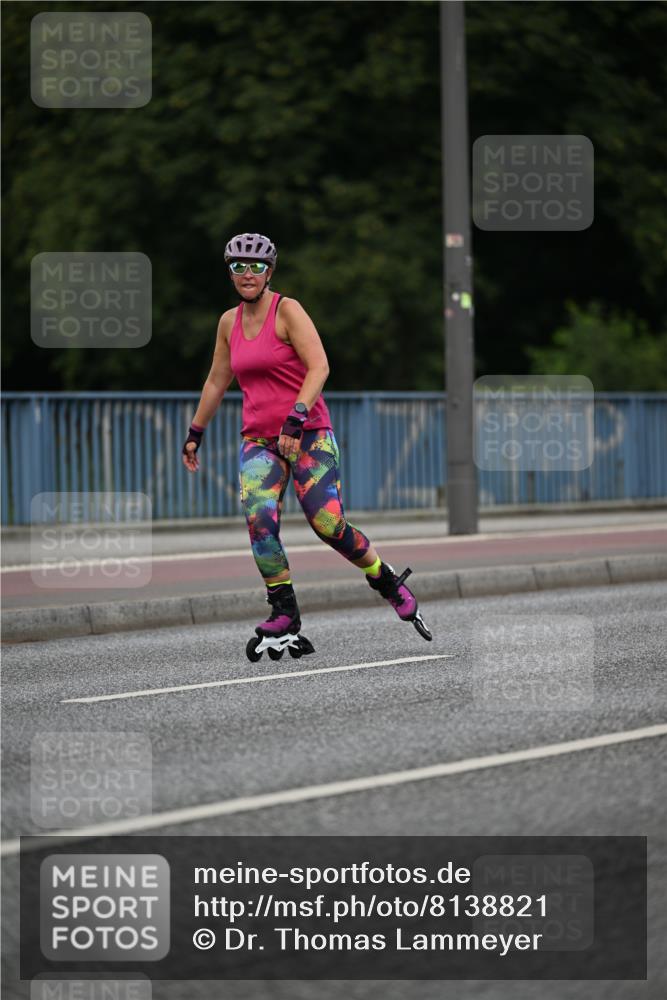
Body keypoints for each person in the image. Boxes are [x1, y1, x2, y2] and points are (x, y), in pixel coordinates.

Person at [182, 232, 431, 660]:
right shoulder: (229, 322)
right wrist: (195, 432)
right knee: (259, 520)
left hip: (309, 435)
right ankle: (284, 612)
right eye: (238, 266)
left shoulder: (288, 311)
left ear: (269, 272)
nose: (247, 274)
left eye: (256, 267)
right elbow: (217, 379)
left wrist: (297, 417)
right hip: (259, 441)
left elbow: (319, 366)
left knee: (328, 525)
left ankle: (385, 578)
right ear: (229, 272)